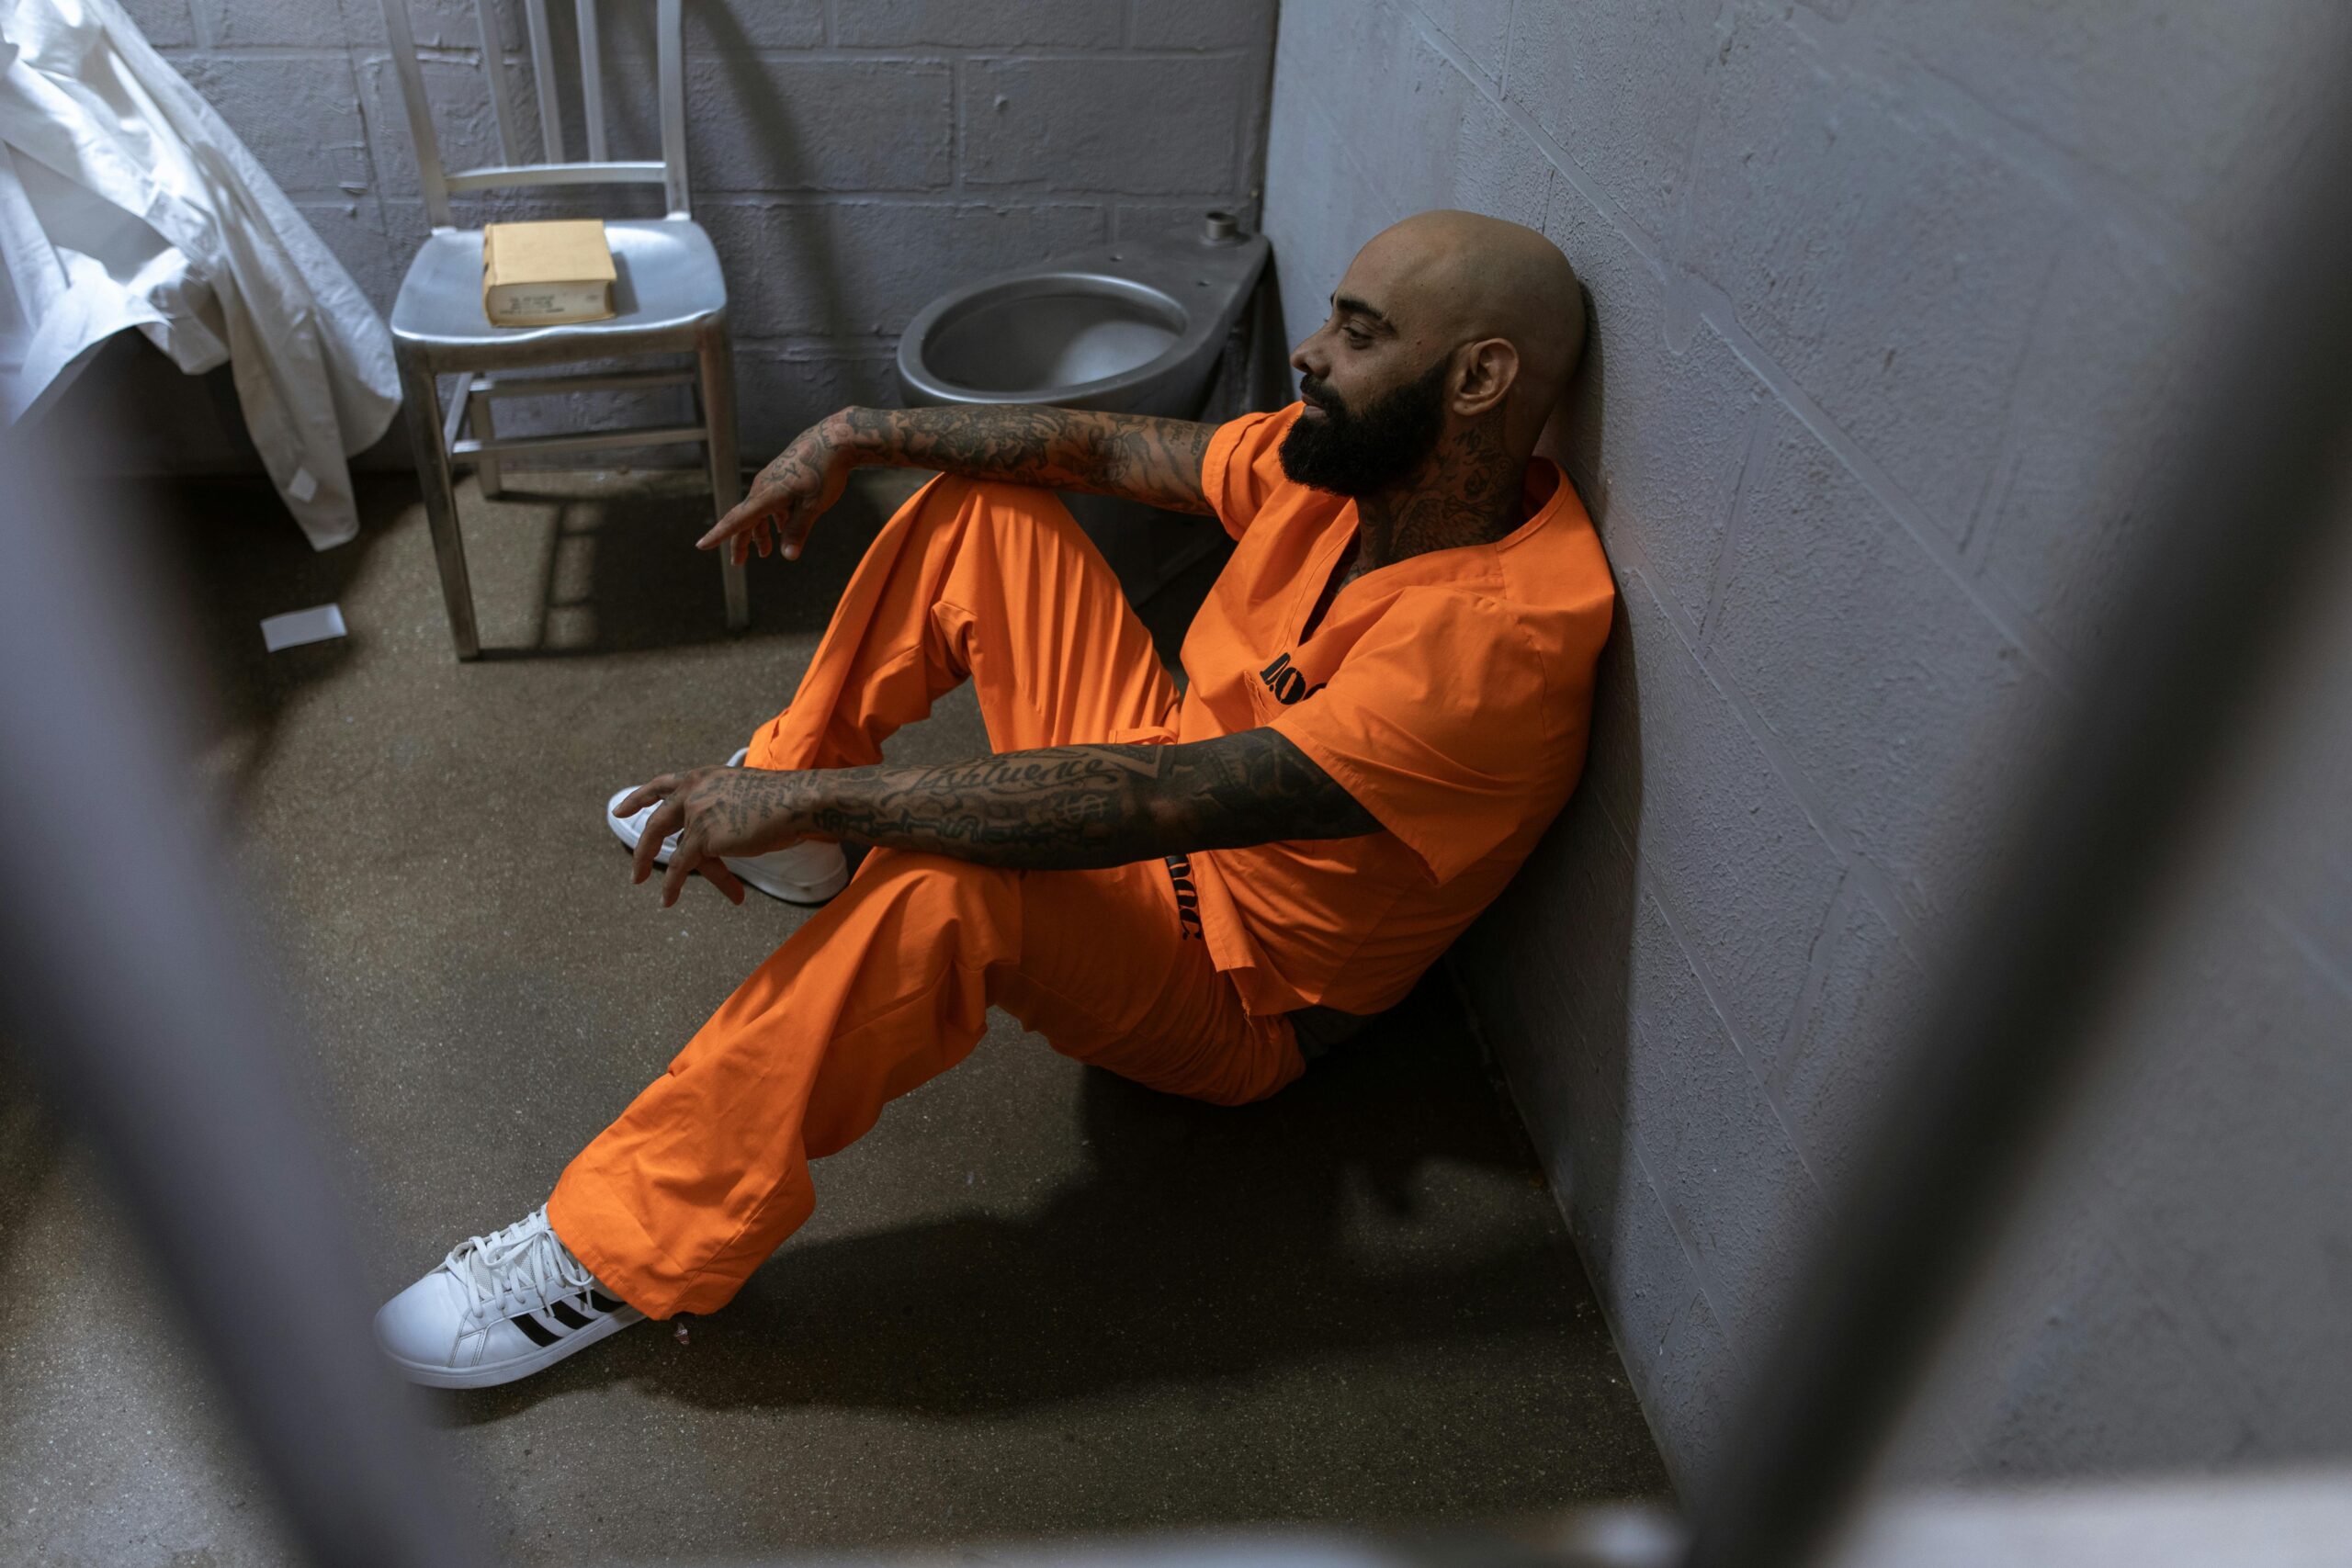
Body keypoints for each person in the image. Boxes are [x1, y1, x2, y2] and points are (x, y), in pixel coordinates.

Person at [374, 209, 1614, 1388]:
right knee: (986, 514)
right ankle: (798, 797)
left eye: (1360, 331)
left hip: (1234, 984)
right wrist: (861, 427)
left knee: (949, 880)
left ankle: (611, 1247)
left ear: (1479, 379)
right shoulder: (1351, 472)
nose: (1312, 350)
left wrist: (843, 807)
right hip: (1162, 780)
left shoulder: (1496, 650)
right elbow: (1111, 449)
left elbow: (1152, 804)